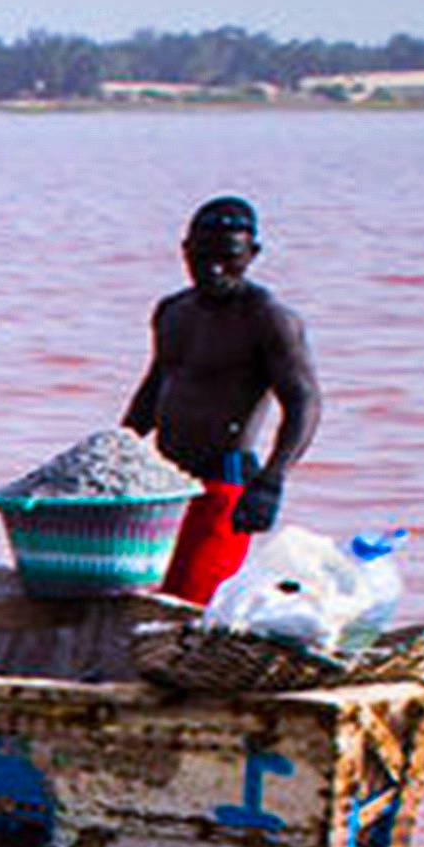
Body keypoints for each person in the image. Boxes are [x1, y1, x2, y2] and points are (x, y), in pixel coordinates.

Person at [121, 195, 323, 603]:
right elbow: (155, 386)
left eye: (228, 257)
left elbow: (304, 402)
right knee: (145, 595)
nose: (213, 268)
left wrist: (272, 478)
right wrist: (117, 448)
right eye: (201, 256)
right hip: (165, 481)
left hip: (225, 483)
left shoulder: (268, 318)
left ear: (252, 254)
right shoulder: (173, 311)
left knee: (193, 599)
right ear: (185, 251)